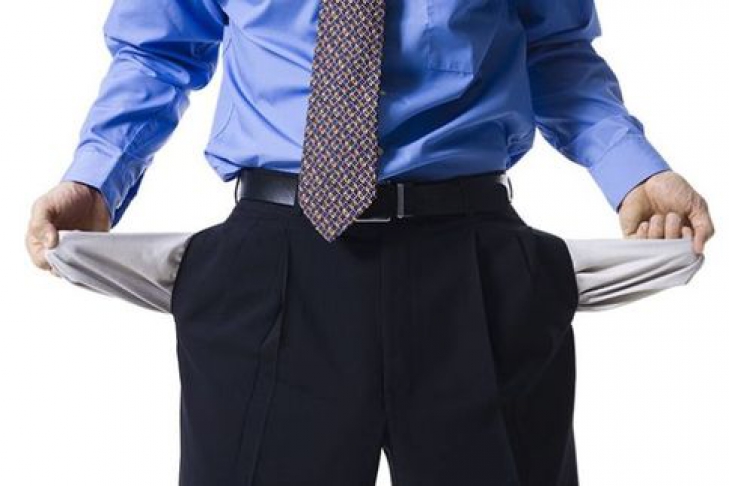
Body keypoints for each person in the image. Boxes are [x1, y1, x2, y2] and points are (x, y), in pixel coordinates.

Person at [25, 1, 715, 485]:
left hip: (473, 266)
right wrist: (96, 180)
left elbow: (555, 49)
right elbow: (158, 50)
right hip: (272, 263)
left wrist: (634, 172)